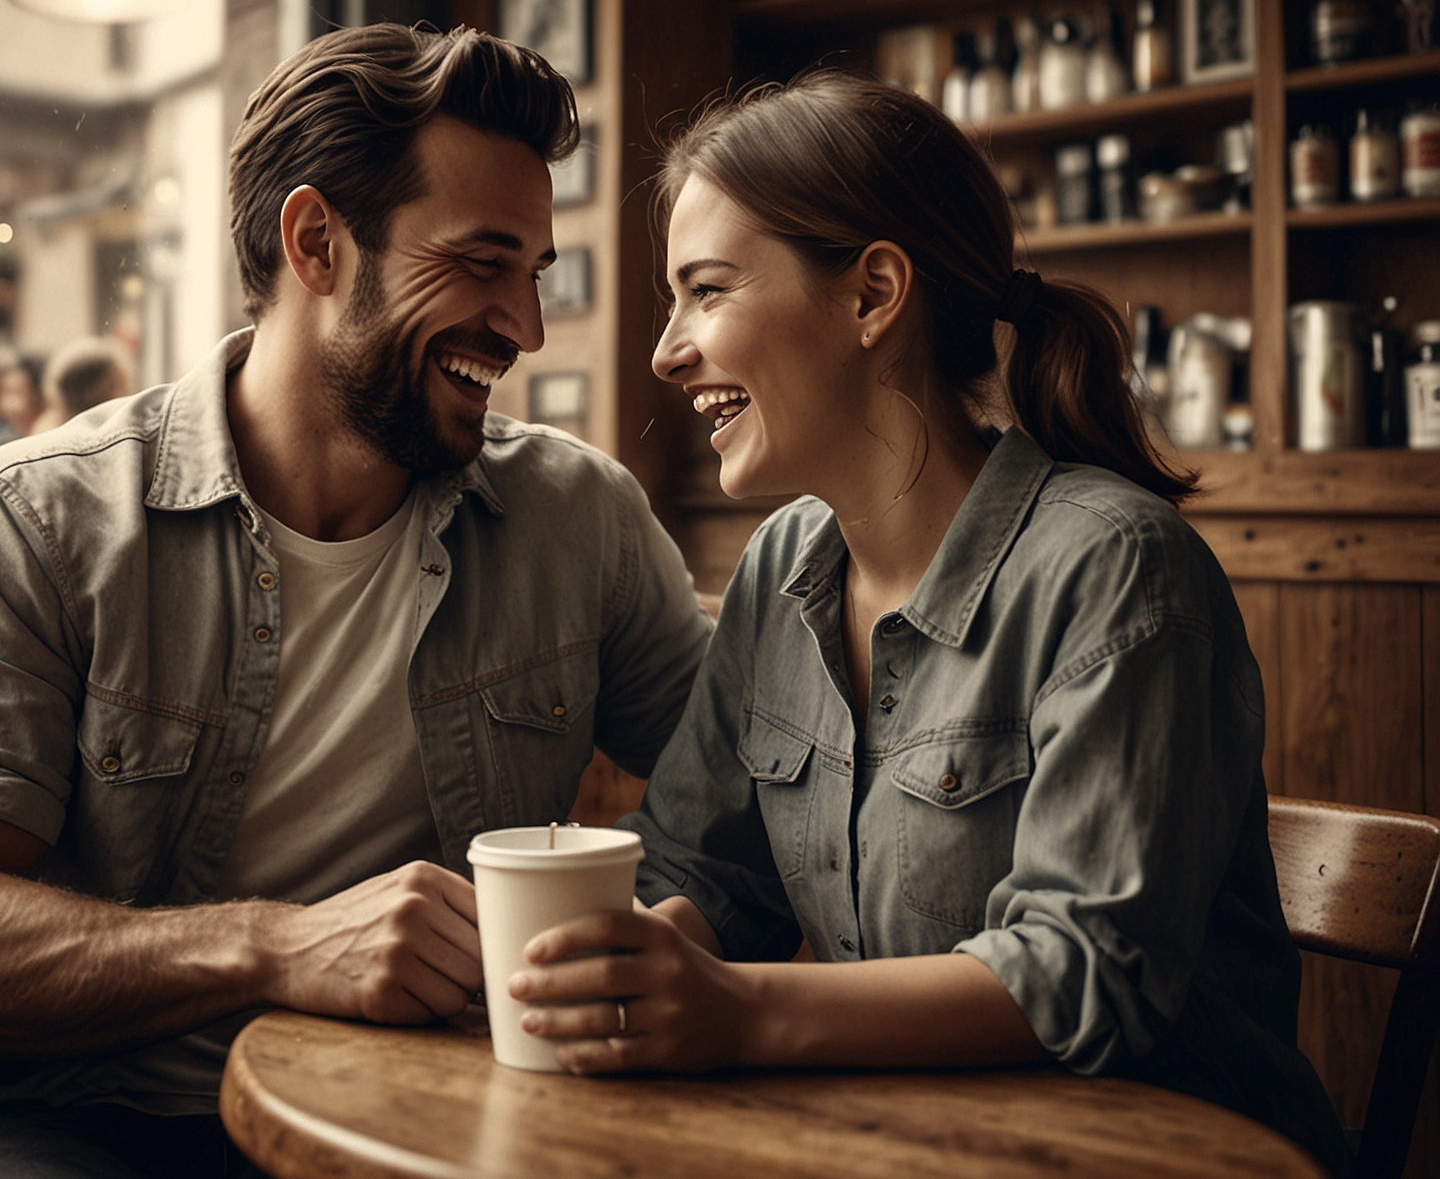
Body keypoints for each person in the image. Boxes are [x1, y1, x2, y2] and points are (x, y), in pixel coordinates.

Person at [0, 23, 712, 1178]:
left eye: (534, 274)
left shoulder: (577, 518)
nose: (526, 327)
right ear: (316, 242)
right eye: (481, 262)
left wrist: (657, 939)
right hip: (60, 1112)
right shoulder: (32, 519)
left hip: (424, 1108)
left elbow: (744, 799)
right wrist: (275, 948)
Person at [505, 69, 1352, 1176]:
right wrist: (601, 970)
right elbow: (706, 879)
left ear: (871, 296)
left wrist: (738, 1013)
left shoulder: (1116, 570)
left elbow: (1079, 969)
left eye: (705, 291)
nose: (666, 350)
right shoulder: (779, 571)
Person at [32, 336, 136, 433]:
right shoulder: (118, 438)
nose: (127, 395)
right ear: (109, 387)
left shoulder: (45, 434)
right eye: (122, 388)